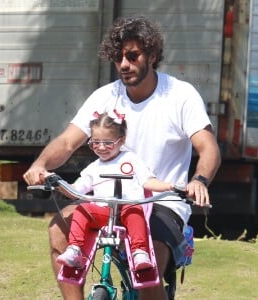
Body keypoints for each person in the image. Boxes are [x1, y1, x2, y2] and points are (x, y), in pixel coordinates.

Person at [23, 15, 221, 300]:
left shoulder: (180, 95)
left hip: (159, 203)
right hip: (105, 202)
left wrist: (199, 180)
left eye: (132, 55)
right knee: (58, 228)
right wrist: (40, 165)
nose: (124, 65)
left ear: (152, 55)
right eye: (118, 58)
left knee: (149, 264)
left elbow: (208, 146)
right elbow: (68, 142)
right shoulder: (105, 96)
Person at [54, 111, 173, 271]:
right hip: (103, 215)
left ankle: (139, 252)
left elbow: (148, 182)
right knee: (82, 209)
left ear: (121, 140)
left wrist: (170, 186)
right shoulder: (94, 168)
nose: (101, 147)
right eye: (95, 143)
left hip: (127, 211)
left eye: (108, 143)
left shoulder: (131, 159)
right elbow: (76, 191)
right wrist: (57, 183)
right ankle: (74, 250)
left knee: (135, 210)